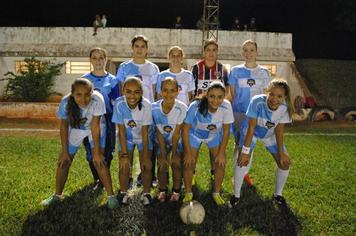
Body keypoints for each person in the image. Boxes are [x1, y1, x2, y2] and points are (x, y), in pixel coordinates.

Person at [41, 78, 118, 209]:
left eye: (87, 94)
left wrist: (97, 152)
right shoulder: (66, 102)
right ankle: (57, 195)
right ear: (72, 94)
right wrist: (65, 152)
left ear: (92, 92)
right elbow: (64, 127)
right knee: (63, 162)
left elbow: (95, 126)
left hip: (96, 127)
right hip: (76, 128)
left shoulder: (97, 99)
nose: (84, 99)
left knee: (99, 161)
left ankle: (111, 196)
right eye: (78, 95)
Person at [229, 79, 293, 207]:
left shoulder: (285, 108)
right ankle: (236, 196)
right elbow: (251, 127)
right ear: (267, 92)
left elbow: (279, 132)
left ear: (284, 97)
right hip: (251, 131)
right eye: (272, 94)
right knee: (242, 161)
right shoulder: (257, 101)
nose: (274, 99)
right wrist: (246, 152)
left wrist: (282, 153)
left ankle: (278, 195)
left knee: (284, 163)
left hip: (270, 134)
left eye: (279, 96)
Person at [116, 35, 160, 188]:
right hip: (128, 112)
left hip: (147, 113)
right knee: (126, 144)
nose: (140, 49)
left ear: (147, 49)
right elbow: (122, 90)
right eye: (137, 46)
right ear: (132, 48)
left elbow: (155, 93)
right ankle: (127, 177)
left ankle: (148, 175)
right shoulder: (124, 67)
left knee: (148, 145)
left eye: (143, 46)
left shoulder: (153, 68)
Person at [182, 81, 234, 206]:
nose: (216, 100)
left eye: (220, 97)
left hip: (213, 136)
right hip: (195, 135)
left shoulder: (226, 106)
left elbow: (226, 131)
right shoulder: (196, 105)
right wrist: (188, 153)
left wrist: (221, 153)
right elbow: (185, 129)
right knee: (189, 162)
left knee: (220, 163)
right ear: (206, 94)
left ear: (224, 96)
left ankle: (216, 193)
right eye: (212, 96)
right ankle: (188, 191)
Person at [229, 39, 271, 187]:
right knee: (238, 144)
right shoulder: (235, 71)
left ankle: (244, 173)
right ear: (242, 53)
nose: (248, 53)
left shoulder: (264, 72)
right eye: (245, 50)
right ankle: (238, 173)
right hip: (239, 113)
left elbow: (266, 95)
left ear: (257, 52)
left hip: (256, 115)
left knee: (249, 145)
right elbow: (233, 94)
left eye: (251, 50)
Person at [191, 39, 230, 183]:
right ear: (204, 52)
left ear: (217, 52)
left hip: (217, 111)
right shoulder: (196, 68)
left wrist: (223, 107)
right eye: (208, 50)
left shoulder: (222, 69)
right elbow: (192, 91)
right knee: (196, 143)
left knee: (214, 144)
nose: (211, 53)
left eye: (214, 50)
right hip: (200, 111)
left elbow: (227, 91)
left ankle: (214, 172)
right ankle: (192, 173)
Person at [82, 47, 119, 190]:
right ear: (90, 60)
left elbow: (116, 102)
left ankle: (104, 178)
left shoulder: (113, 80)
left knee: (108, 150)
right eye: (94, 58)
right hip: (88, 120)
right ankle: (97, 179)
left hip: (107, 119)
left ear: (105, 60)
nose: (98, 61)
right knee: (91, 150)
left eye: (101, 58)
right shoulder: (84, 79)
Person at [112, 77, 153, 205]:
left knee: (146, 166)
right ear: (123, 91)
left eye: (136, 92)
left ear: (141, 92)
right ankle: (123, 192)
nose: (132, 95)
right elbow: (121, 131)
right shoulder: (119, 104)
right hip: (127, 138)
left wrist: (146, 156)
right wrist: (124, 155)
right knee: (124, 166)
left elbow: (145, 132)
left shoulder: (146, 105)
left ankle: (146, 193)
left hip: (143, 138)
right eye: (128, 91)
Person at [152, 77, 187, 202]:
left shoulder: (182, 108)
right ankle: (162, 189)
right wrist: (163, 153)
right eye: (165, 90)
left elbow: (177, 133)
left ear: (178, 91)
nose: (168, 94)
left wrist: (174, 153)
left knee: (176, 163)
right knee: (161, 163)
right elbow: (159, 132)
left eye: (172, 90)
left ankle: (176, 190)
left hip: (176, 139)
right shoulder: (154, 108)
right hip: (161, 138)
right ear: (160, 91)